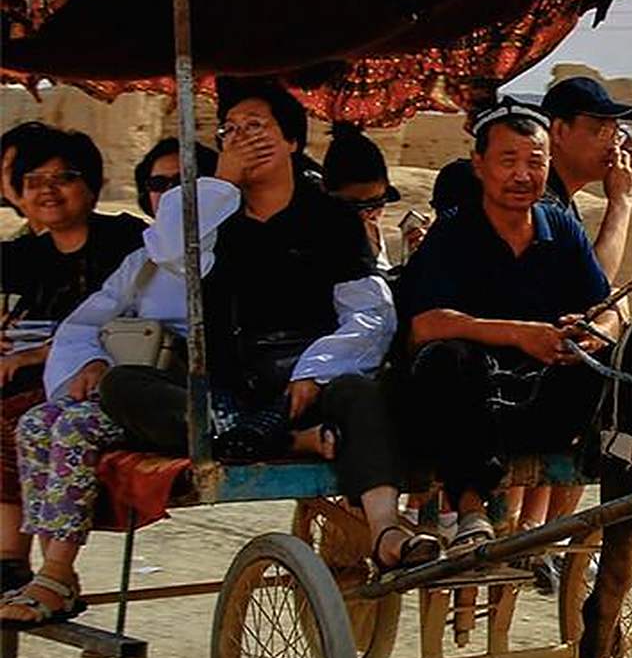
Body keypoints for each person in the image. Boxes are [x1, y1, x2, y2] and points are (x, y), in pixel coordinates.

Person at [95, 81, 420, 568]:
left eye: (257, 127)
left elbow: (370, 313)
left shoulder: (331, 220)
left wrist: (314, 373)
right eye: (232, 130)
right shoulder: (211, 218)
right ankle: (284, 440)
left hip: (308, 383)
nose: (244, 138)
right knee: (122, 385)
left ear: (291, 140)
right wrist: (222, 182)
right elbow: (169, 251)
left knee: (362, 394)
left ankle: (386, 529)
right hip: (231, 396)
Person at [0, 145, 239, 627]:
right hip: (129, 389)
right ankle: (54, 571)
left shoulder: (236, 250)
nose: (168, 195)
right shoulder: (143, 261)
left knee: (73, 430)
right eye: (158, 185)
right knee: (36, 424)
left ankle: (55, 572)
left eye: (181, 184)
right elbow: (84, 325)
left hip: (195, 400)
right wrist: (90, 363)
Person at [394, 101, 618, 549]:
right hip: (462, 409)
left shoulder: (562, 229)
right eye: (508, 161)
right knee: (450, 359)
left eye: (535, 163)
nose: (522, 175)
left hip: (533, 405)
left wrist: (595, 334)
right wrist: (520, 334)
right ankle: (470, 511)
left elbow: (607, 308)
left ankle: (630, 499)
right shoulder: (453, 234)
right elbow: (425, 326)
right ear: (479, 165)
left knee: (618, 359)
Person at [0, 129, 146, 600]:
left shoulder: (126, 243)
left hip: (104, 379)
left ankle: (19, 561)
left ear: (92, 186)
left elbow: (130, 323)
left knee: (19, 419)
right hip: (33, 379)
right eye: (33, 180)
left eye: (63, 178)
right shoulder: (20, 255)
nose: (48, 190)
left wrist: (37, 354)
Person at [432, 76, 632, 280]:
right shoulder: (522, 196)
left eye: (617, 134)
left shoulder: (563, 205)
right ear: (559, 131)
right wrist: (621, 203)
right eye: (603, 132)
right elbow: (590, 289)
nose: (614, 147)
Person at [321, 123, 401, 267]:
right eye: (353, 206)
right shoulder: (315, 240)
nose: (364, 214)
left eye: (375, 203)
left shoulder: (371, 229)